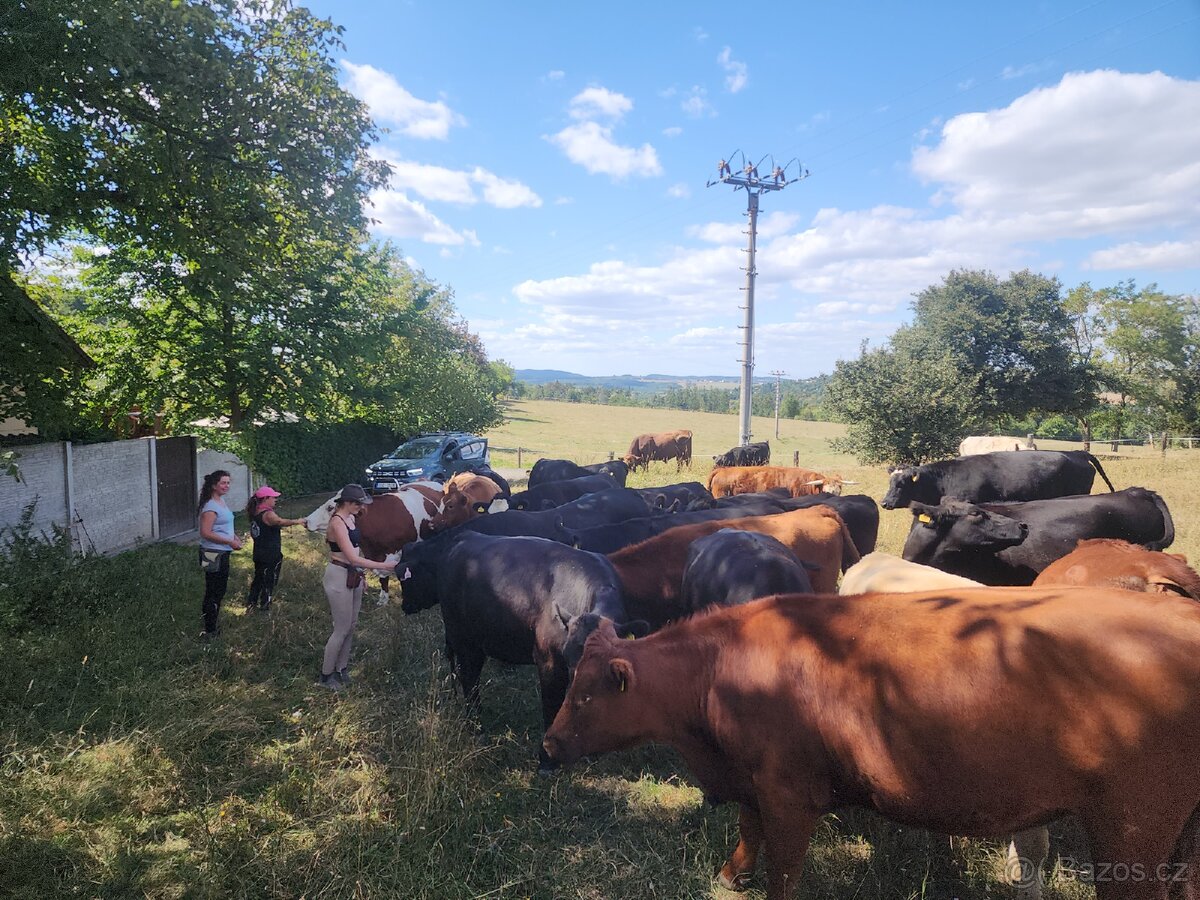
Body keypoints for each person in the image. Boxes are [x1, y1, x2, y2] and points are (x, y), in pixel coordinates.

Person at [319, 483, 393, 691]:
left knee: (351, 626)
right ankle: (326, 675)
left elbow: (356, 551)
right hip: (339, 575)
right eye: (359, 504)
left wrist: (361, 576)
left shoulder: (351, 519)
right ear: (349, 503)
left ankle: (341, 668)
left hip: (352, 575)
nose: (362, 508)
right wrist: (385, 566)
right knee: (340, 629)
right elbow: (352, 557)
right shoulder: (337, 523)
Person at [244, 485, 304, 611]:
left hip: (259, 552)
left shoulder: (255, 511)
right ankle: (265, 607)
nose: (276, 499)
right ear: (266, 498)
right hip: (270, 554)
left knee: (258, 578)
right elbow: (280, 522)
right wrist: (297, 521)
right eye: (273, 497)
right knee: (269, 580)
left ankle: (251, 603)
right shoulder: (268, 514)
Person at [197, 469, 242, 638]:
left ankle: (213, 623)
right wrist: (230, 541)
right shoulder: (210, 507)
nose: (226, 486)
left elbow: (224, 526)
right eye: (223, 483)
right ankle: (209, 630)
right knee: (212, 590)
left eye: (228, 483)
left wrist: (234, 537)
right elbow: (206, 533)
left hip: (223, 552)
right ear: (214, 485)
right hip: (211, 553)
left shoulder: (221, 502)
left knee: (220, 590)